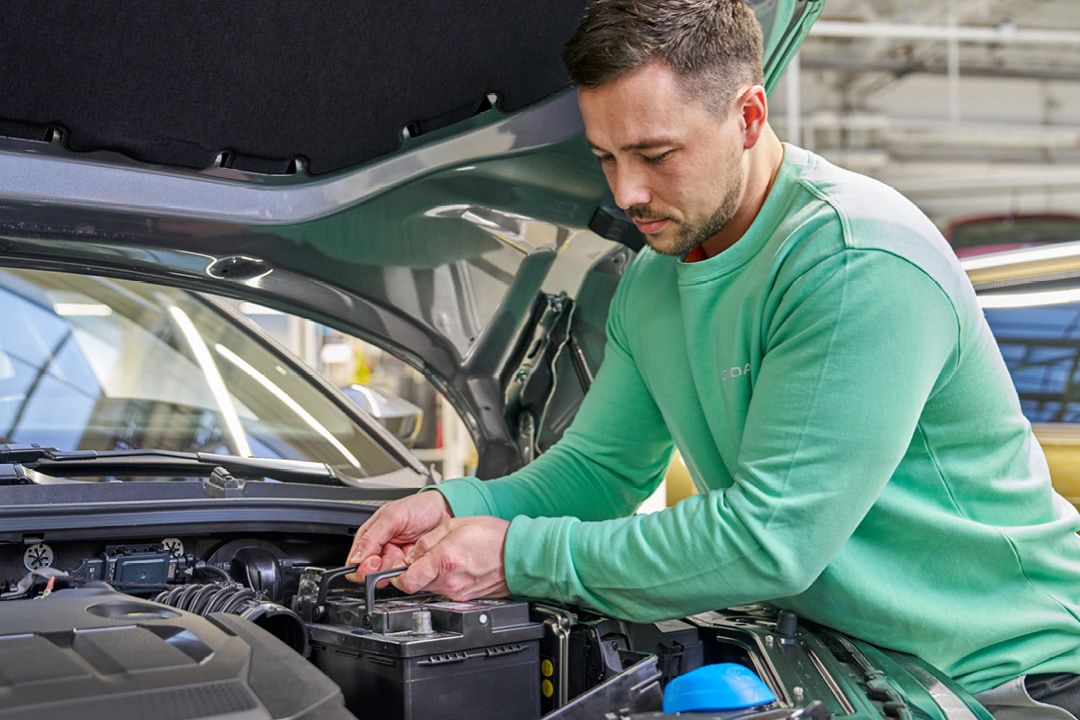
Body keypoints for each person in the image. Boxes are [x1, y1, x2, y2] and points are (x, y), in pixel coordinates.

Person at [347, 1, 1080, 715]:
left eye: (656, 154)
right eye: (606, 157)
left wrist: (516, 556)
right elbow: (601, 471)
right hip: (852, 661)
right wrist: (456, 507)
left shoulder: (855, 261)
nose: (627, 191)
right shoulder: (654, 280)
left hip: (1008, 675)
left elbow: (771, 541)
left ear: (749, 116)